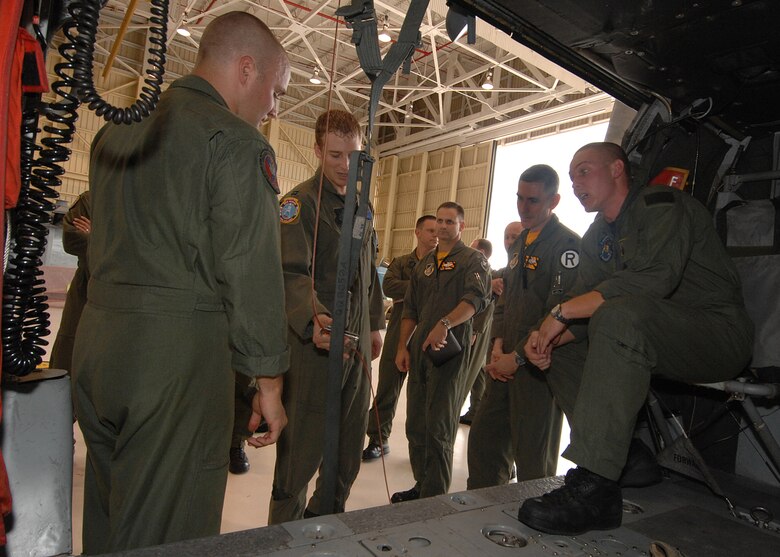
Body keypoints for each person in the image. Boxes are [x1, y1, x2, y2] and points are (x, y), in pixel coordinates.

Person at [71, 12, 291, 553]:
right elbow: (250, 269)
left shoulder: (114, 131)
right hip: (173, 367)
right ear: (246, 69)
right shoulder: (237, 144)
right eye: (275, 90)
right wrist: (269, 380)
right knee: (169, 534)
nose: (273, 106)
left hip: (96, 351)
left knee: (109, 515)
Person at [517, 142, 753, 535]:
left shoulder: (662, 205)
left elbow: (653, 279)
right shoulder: (599, 235)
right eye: (572, 175)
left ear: (616, 170)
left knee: (616, 313)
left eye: (584, 171)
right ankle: (624, 456)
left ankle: (598, 488)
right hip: (656, 334)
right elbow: (576, 300)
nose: (576, 183)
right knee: (557, 345)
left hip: (717, 333)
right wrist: (545, 336)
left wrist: (561, 314)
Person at [270, 109, 385, 523]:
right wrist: (315, 318)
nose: (343, 165)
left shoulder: (361, 206)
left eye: (351, 156)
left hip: (354, 342)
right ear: (318, 150)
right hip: (313, 344)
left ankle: (325, 526)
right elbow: (290, 273)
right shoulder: (298, 205)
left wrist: (374, 323)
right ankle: (282, 538)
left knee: (347, 448)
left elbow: (369, 269)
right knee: (301, 455)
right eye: (335, 155)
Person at [468, 165, 582, 489]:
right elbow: (505, 300)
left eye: (532, 200)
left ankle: (534, 521)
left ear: (554, 200)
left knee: (533, 458)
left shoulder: (566, 247)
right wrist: (498, 344)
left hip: (538, 369)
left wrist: (515, 358)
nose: (523, 207)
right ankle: (481, 512)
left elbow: (556, 316)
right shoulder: (520, 245)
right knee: (484, 443)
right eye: (520, 198)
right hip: (504, 363)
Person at [392, 202, 491, 502]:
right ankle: (421, 483)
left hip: (451, 347)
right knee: (416, 422)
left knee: (440, 423)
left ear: (462, 226)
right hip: (421, 344)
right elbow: (410, 308)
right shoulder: (425, 263)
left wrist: (446, 324)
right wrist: (402, 347)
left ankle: (435, 495)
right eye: (440, 221)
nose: (444, 226)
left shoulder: (473, 260)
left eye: (450, 221)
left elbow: (476, 299)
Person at [362, 215, 438, 461]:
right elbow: (388, 286)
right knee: (387, 387)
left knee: (425, 394)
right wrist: (421, 287)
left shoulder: (443, 264)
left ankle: (422, 447)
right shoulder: (402, 262)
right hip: (398, 331)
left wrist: (411, 292)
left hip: (429, 333)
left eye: (438, 231)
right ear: (417, 232)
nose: (435, 235)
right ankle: (378, 439)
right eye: (430, 230)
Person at [49, 191, 91, 373]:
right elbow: (73, 239)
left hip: (131, 295)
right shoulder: (91, 199)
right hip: (87, 288)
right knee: (70, 354)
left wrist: (98, 237)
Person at [458, 238, 495, 425]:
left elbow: (484, 305)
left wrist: (475, 330)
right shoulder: (488, 271)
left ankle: (455, 406)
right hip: (484, 330)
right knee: (479, 372)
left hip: (478, 329)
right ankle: (476, 410)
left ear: (480, 251)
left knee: (468, 370)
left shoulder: (483, 270)